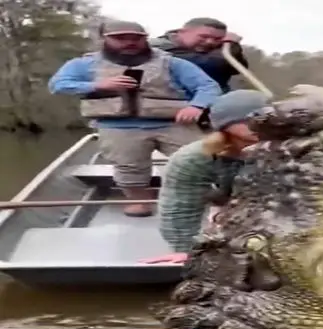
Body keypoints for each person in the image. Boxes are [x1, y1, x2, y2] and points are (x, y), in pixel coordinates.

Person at [48, 20, 223, 217]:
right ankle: (140, 202)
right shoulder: (84, 64)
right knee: (129, 167)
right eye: (120, 38)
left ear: (145, 39)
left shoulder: (172, 63)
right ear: (104, 39)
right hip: (117, 126)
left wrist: (196, 106)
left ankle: (202, 197)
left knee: (201, 159)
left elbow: (208, 86)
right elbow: (58, 85)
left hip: (174, 123)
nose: (129, 42)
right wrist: (98, 85)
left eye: (136, 38)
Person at [141, 89, 269, 264]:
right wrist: (187, 250)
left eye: (264, 118)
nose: (257, 125)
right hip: (234, 210)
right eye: (247, 120)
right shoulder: (195, 157)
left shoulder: (296, 149)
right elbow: (181, 205)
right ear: (225, 125)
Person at [150, 17, 248, 94]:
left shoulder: (212, 51)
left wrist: (227, 45)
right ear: (181, 33)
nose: (210, 42)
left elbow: (237, 68)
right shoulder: (160, 48)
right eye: (204, 36)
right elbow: (210, 64)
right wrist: (231, 44)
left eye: (217, 39)